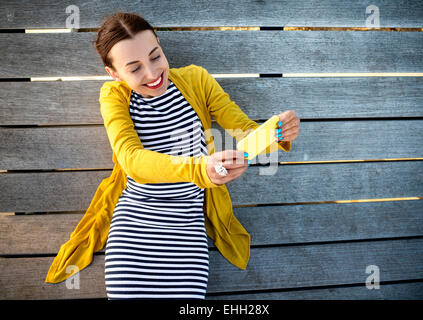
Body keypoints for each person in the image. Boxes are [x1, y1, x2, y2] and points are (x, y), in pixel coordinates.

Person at [46, 11, 299, 300]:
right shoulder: (113, 96)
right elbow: (131, 158)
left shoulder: (197, 80)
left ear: (160, 45)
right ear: (114, 73)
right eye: (134, 68)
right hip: (135, 226)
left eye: (155, 56)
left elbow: (241, 128)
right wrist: (200, 169)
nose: (152, 74)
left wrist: (276, 132)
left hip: (187, 226)